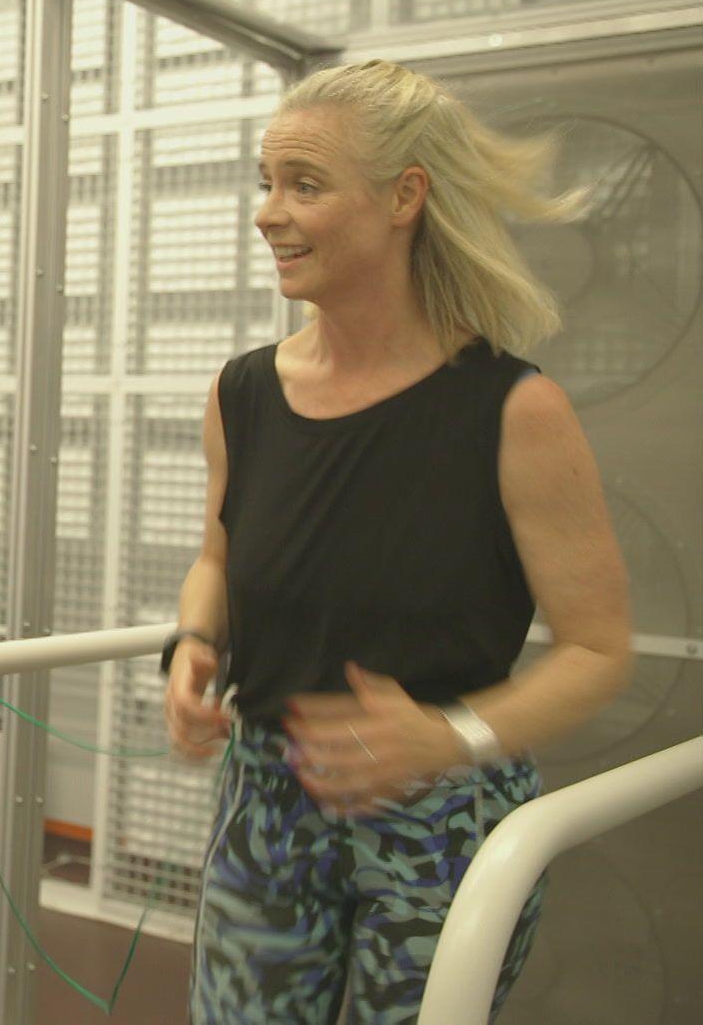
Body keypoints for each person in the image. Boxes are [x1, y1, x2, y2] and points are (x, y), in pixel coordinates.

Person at [161, 60, 632, 1022]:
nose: (267, 214)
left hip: (445, 815)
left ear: (403, 199)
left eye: (304, 184)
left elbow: (597, 649)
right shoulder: (242, 391)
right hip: (268, 800)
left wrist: (449, 735)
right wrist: (194, 645)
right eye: (266, 183)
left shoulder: (513, 409)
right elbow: (218, 553)